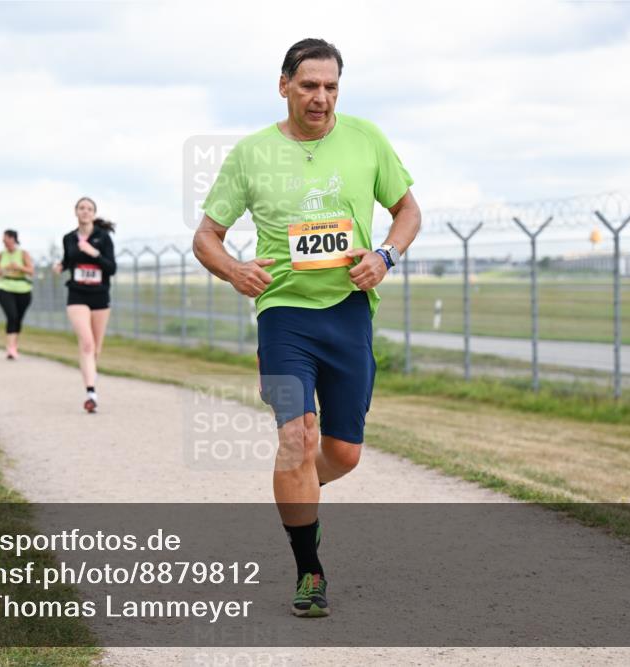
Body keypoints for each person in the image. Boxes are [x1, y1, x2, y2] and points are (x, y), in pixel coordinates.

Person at [193, 38, 421, 617]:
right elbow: (206, 236)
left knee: (341, 454)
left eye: (331, 87)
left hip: (348, 312)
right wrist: (234, 270)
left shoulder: (366, 139)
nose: (321, 98)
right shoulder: (251, 154)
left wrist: (386, 256)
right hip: (284, 313)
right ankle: (309, 569)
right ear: (284, 85)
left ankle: (296, 493)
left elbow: (408, 212)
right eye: (309, 85)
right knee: (298, 438)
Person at [54, 196, 116, 412]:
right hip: (77, 294)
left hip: (99, 296)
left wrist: (94, 253)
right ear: (76, 212)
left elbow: (111, 268)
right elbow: (68, 260)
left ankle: (90, 374)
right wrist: (61, 266)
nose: (85, 211)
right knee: (87, 343)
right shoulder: (68, 238)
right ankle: (91, 392)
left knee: (95, 349)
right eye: (81, 208)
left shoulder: (103, 238)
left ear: (94, 213)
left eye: (89, 208)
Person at [0, 229, 34, 360]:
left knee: (18, 318)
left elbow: (31, 271)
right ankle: (10, 348)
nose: (4, 241)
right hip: (5, 288)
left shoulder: (23, 254)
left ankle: (14, 344)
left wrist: (18, 267)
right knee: (12, 315)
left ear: (13, 239)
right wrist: (4, 269)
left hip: (23, 290)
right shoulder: (1, 254)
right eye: (3, 239)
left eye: (6, 238)